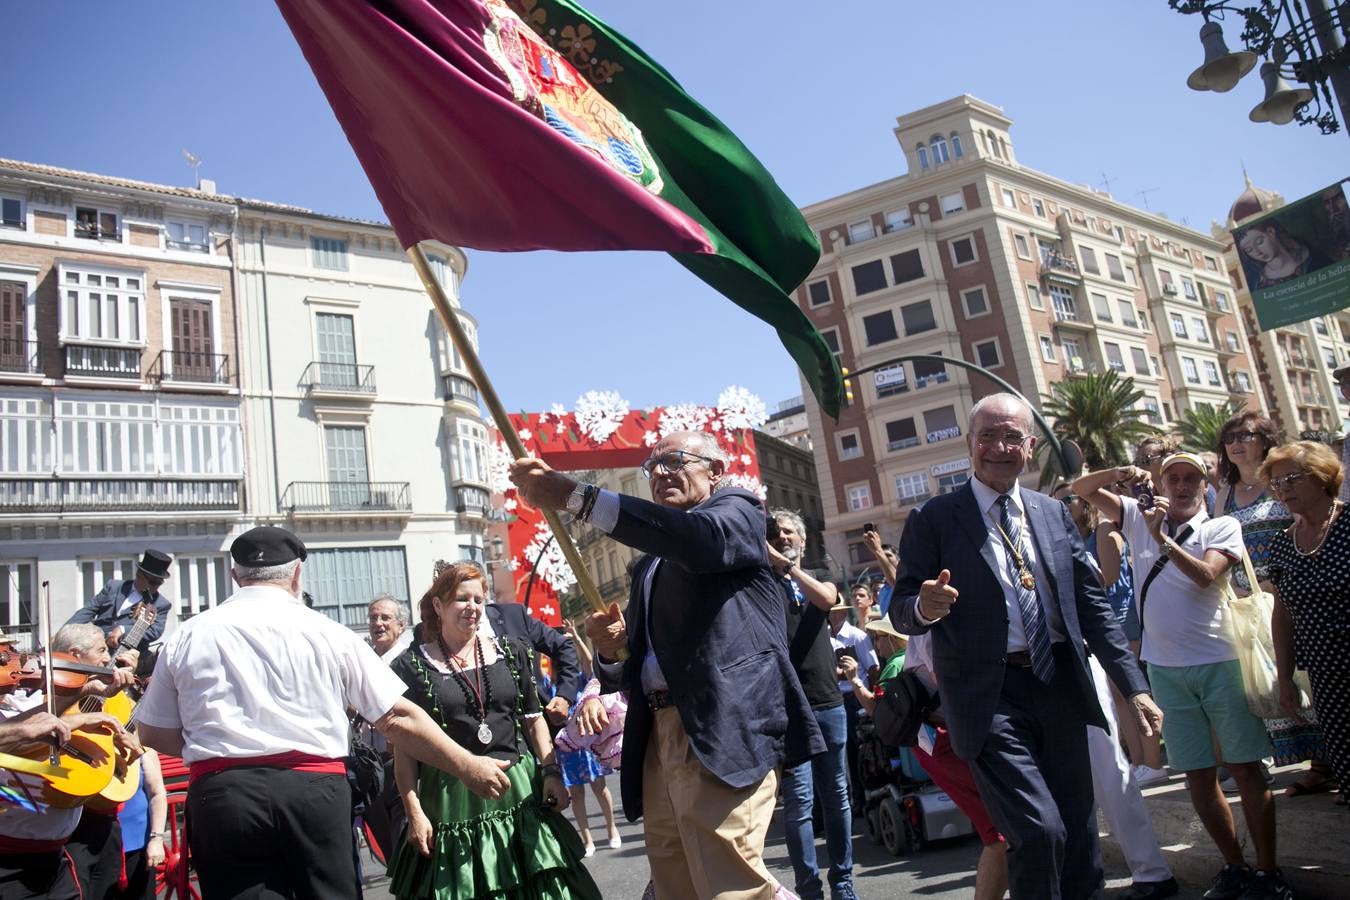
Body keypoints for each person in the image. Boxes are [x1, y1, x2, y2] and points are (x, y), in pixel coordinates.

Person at [510, 431, 824, 900]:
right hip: (661, 734)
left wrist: (573, 495)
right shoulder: (650, 567)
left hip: (720, 727)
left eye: (674, 460)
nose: (659, 472)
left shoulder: (738, 511)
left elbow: (701, 542)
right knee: (678, 883)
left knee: (730, 884)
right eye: (651, 467)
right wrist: (612, 649)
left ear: (715, 471)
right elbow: (630, 666)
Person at [135, 525, 517, 900]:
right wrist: (467, 764)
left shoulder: (189, 633)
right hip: (313, 792)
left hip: (224, 795)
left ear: (235, 575)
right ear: (297, 573)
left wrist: (219, 744)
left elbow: (152, 732)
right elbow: (395, 717)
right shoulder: (329, 633)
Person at [893, 393, 1160, 900]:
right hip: (988, 697)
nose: (999, 446)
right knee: (1039, 833)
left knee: (1080, 841)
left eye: (1012, 436)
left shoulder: (1053, 513)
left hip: (1058, 683)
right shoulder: (933, 518)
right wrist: (926, 608)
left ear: (1031, 446)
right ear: (970, 444)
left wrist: (1136, 687)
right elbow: (902, 606)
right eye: (988, 436)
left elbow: (1093, 611)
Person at [1075, 453, 1290, 900]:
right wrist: (1117, 475)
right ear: (1160, 482)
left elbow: (1207, 577)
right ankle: (1235, 866)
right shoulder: (1137, 515)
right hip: (1165, 669)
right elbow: (1080, 490)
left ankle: (1269, 873)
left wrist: (1164, 542)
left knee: (1246, 769)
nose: (1182, 484)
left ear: (1204, 483)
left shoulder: (1220, 527)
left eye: (1191, 477)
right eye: (1173, 477)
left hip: (1221, 662)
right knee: (1195, 774)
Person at [386, 562, 599, 899]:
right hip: (449, 802)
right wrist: (414, 812)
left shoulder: (511, 652)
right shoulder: (411, 667)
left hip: (520, 791)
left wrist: (551, 772)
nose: (472, 607)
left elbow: (533, 719)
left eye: (478, 599)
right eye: (461, 599)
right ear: (438, 605)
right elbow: (405, 749)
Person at [1051, 485, 1177, 899]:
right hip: (1025, 679)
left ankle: (1152, 871)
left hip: (1078, 668)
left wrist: (1132, 685)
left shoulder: (1069, 547)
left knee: (1110, 770)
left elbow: (1098, 614)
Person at [847, 623, 1010, 900]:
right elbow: (881, 711)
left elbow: (876, 711)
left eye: (878, 637)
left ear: (890, 638)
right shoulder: (905, 658)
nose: (875, 643)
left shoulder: (899, 661)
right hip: (943, 742)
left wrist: (855, 682)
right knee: (1001, 832)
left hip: (940, 744)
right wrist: (856, 682)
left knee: (1002, 832)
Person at [1216, 413, 1332, 796]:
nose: (1237, 442)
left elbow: (1309, 525)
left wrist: (1273, 582)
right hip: (1251, 604)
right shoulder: (1224, 493)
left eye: (1245, 435)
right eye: (1230, 437)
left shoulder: (1282, 482)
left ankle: (1326, 763)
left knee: (1310, 674)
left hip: (1296, 588)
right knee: (1272, 678)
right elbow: (1219, 544)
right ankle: (1306, 759)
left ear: (1264, 439)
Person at [0, 628, 137, 900]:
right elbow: (21, 734)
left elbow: (39, 723)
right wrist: (23, 730)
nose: (12, 660)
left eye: (8, 652)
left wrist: (83, 691)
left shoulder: (22, 698)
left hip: (53, 858)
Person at [769, 507, 856, 900]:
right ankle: (809, 890)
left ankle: (843, 884)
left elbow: (827, 599)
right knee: (798, 804)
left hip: (828, 702)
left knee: (836, 796)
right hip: (788, 710)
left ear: (803, 540)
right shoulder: (764, 586)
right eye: (775, 533)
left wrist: (791, 570)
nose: (783, 536)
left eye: (789, 532)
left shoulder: (817, 577)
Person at [1264, 441, 1350, 808]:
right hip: (1326, 678)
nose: (1282, 489)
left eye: (1291, 479)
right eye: (1276, 483)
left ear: (1321, 478)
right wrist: (1284, 679)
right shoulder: (1282, 546)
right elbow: (1282, 616)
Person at [554, 619, 621, 859]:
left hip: (590, 740)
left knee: (599, 787)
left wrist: (576, 636)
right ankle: (587, 838)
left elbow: (590, 664)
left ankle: (612, 829)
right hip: (568, 745)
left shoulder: (582, 679)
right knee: (577, 793)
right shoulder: (554, 682)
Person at [68, 550, 174, 654]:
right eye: (152, 582)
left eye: (159, 583)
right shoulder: (113, 586)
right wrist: (65, 632)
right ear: (139, 575)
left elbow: (154, 631)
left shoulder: (161, 604)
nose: (155, 587)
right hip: (96, 648)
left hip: (126, 654)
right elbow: (88, 610)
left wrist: (123, 630)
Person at [109, 749, 168, 900]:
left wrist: (156, 839)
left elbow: (158, 793)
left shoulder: (141, 747)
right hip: (99, 848)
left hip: (138, 847)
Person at [1237, 219, 1329, 289]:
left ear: (1271, 232)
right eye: (1249, 250)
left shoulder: (1312, 258)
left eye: (1259, 242)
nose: (1258, 252)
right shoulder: (1261, 285)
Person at [861, 530, 898, 616]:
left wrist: (877, 550)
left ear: (899, 560)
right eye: (881, 557)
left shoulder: (907, 578)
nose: (884, 558)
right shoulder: (883, 591)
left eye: (888, 555)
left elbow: (897, 583)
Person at [369, 593, 412, 661]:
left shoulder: (411, 662)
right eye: (373, 618)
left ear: (401, 626)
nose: (378, 623)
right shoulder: (364, 660)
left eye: (385, 618)